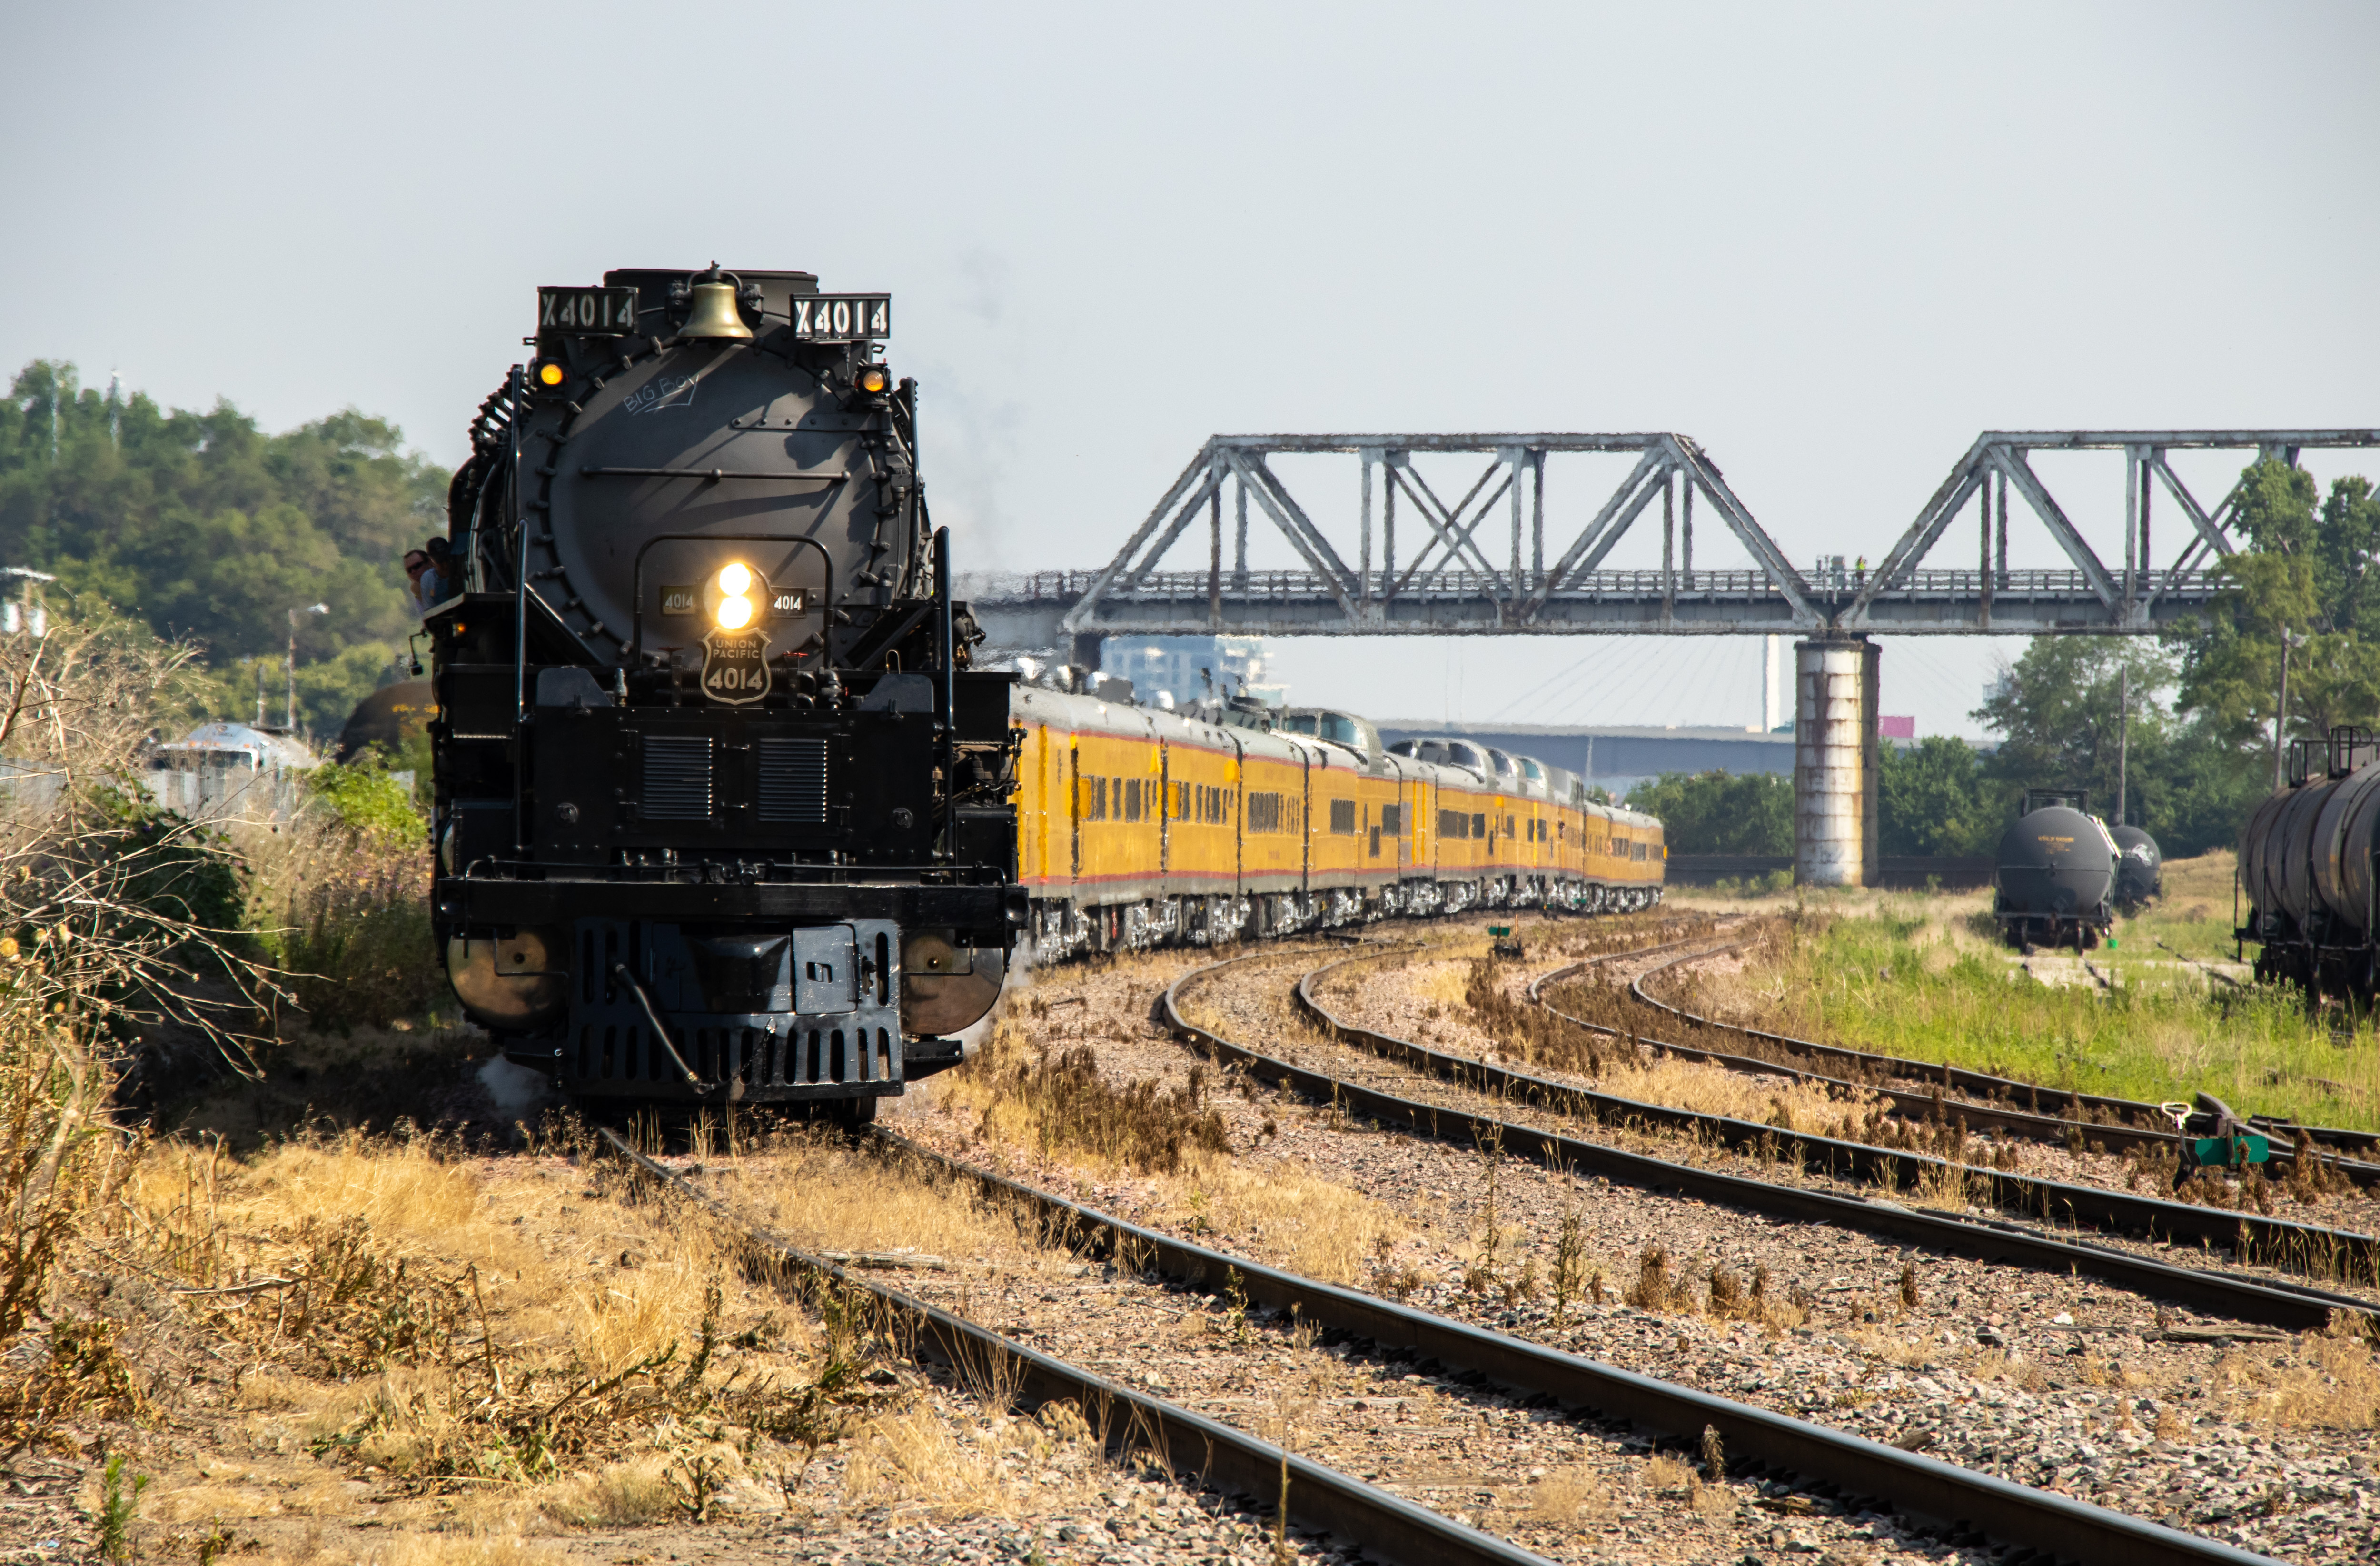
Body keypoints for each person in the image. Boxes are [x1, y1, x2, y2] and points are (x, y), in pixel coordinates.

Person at [402, 549, 433, 616]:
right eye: (409, 570)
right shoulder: (417, 589)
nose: (413, 572)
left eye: (417, 566)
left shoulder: (442, 577)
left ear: (429, 562)